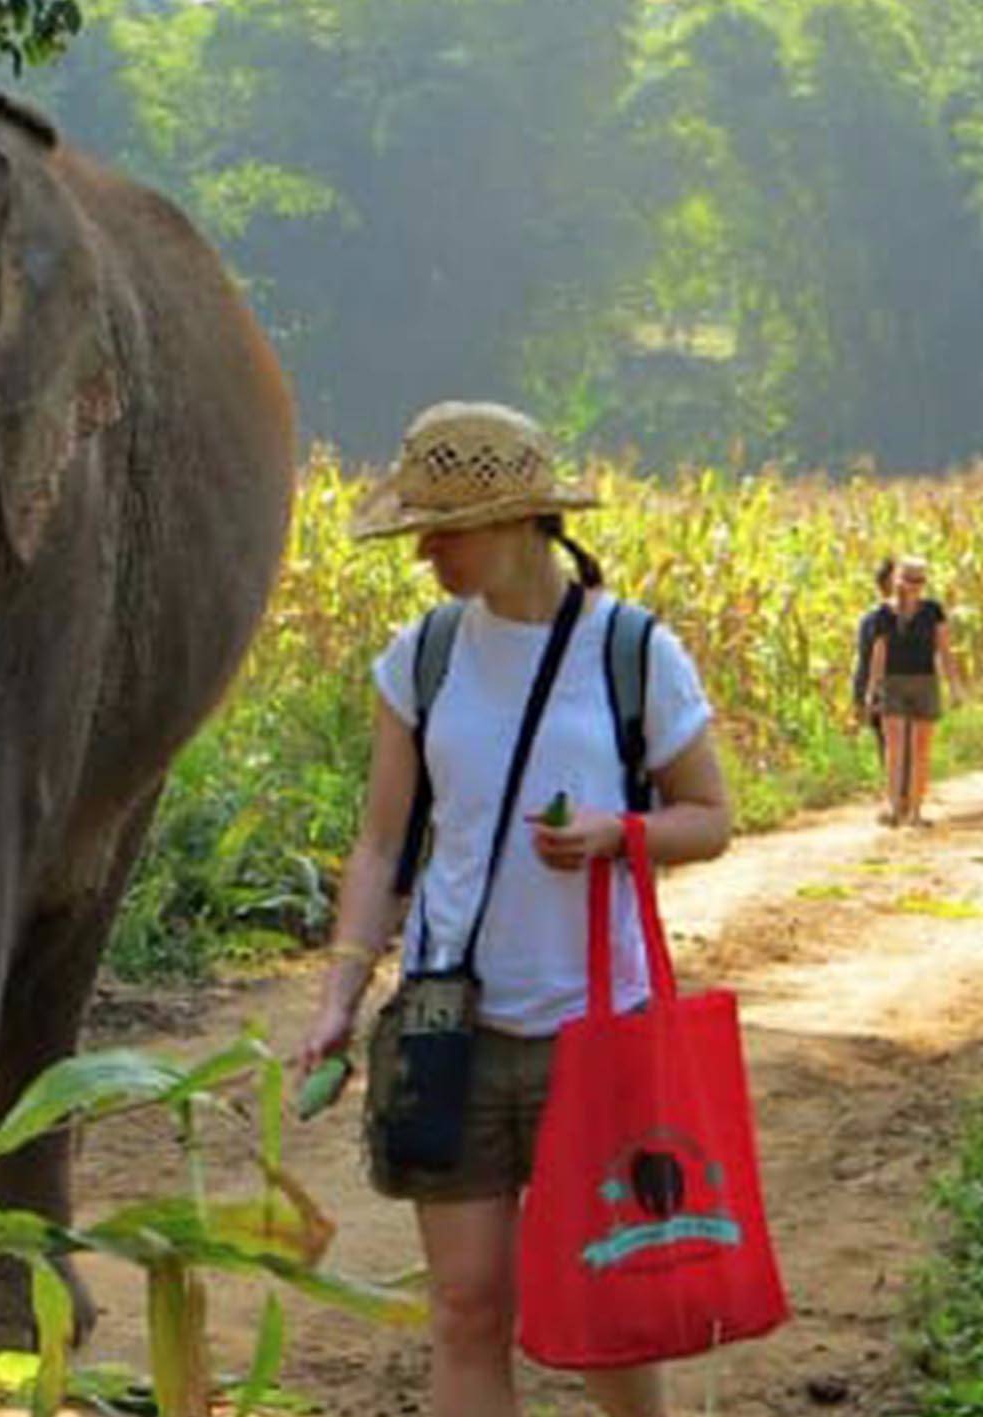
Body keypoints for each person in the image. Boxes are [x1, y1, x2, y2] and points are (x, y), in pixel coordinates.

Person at [295, 402, 733, 1417]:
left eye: (447, 528)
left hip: (597, 1031)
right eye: (421, 531)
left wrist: (619, 836)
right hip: (454, 1029)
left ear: (521, 520)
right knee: (465, 1308)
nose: (428, 553)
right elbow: (381, 843)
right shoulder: (423, 656)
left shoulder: (631, 650)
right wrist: (337, 996)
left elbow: (710, 816)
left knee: (606, 1308)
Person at [863, 556, 965, 827]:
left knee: (921, 750)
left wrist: (954, 685)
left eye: (920, 581)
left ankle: (916, 810)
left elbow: (944, 650)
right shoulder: (884, 614)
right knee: (895, 748)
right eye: (910, 580)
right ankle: (895, 807)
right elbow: (879, 654)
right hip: (893, 682)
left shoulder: (933, 611)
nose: (916, 586)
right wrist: (872, 690)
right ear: (899, 581)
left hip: (924, 681)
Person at [849, 559, 896, 809]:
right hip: (884, 690)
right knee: (889, 744)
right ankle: (897, 796)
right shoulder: (873, 620)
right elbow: (866, 659)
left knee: (893, 744)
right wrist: (862, 695)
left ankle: (900, 795)